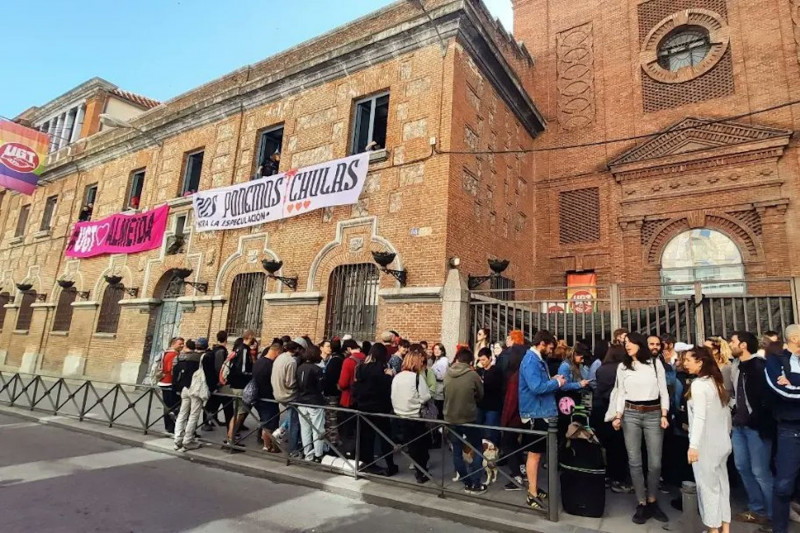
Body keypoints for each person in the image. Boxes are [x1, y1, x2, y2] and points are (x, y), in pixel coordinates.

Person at [611, 332, 670, 524]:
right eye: (625, 343)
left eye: (630, 342)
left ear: (639, 344)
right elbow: (621, 392)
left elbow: (663, 390)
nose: (626, 345)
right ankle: (642, 502)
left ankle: (652, 499)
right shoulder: (623, 366)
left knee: (655, 462)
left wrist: (664, 414)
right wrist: (618, 415)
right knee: (634, 461)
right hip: (631, 413)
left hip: (653, 413)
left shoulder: (654, 363)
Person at [683, 346, 733, 533]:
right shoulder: (716, 382)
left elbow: (699, 417)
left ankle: (713, 529)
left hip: (705, 444)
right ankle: (725, 528)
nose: (685, 363)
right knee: (722, 485)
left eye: (688, 359)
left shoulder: (699, 385)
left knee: (708, 488)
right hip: (721, 442)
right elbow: (725, 415)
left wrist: (693, 446)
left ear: (700, 361)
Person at [728, 330, 773, 525]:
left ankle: (773, 515)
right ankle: (757, 509)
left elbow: (765, 399)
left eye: (733, 341)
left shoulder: (759, 366)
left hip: (756, 427)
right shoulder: (736, 366)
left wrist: (757, 419)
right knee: (742, 467)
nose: (730, 344)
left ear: (743, 345)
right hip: (739, 426)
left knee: (760, 471)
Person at [519, 330, 565, 512]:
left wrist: (552, 379)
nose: (551, 351)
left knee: (537, 454)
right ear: (542, 344)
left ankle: (534, 488)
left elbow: (538, 383)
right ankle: (532, 493)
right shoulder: (531, 360)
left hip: (539, 410)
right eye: (550, 347)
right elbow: (536, 387)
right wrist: (557, 383)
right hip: (536, 412)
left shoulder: (536, 359)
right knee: (535, 454)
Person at [765, 325, 800, 533]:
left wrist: (793, 381)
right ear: (795, 338)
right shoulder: (776, 360)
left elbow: (789, 390)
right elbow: (781, 392)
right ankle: (779, 528)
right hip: (790, 429)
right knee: (784, 483)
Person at [443, 347, 486, 494]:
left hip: (450, 417)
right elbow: (481, 395)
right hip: (468, 418)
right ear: (470, 362)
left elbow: (444, 393)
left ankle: (466, 481)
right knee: (477, 448)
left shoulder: (447, 373)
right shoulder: (473, 375)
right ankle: (475, 482)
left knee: (456, 450)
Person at [591, 344, 632, 493]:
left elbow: (599, 389)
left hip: (602, 410)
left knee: (609, 446)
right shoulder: (623, 369)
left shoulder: (601, 368)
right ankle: (618, 479)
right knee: (619, 447)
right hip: (617, 410)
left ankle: (609, 475)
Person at [352, 343, 398, 476]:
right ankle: (389, 463)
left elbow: (356, 387)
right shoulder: (380, 369)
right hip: (379, 408)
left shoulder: (361, 367)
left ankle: (367, 462)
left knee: (366, 437)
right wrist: (389, 376)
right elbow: (384, 389)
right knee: (384, 436)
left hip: (363, 407)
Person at [391, 345, 432, 483]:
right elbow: (425, 396)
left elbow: (393, 395)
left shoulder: (397, 376)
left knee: (411, 445)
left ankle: (417, 468)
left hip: (400, 415)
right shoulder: (417, 378)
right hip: (415, 416)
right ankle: (421, 472)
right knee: (421, 446)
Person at [501, 344, 528, 490]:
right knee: (515, 444)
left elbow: (511, 402)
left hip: (513, 417)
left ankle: (516, 475)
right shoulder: (523, 373)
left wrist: (504, 421)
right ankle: (522, 469)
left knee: (507, 444)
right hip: (522, 416)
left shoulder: (515, 378)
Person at [272, 339, 305, 456]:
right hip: (288, 395)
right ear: (296, 349)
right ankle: (293, 449)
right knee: (294, 422)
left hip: (277, 392)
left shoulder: (280, 357)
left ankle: (280, 431)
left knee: (293, 418)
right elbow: (290, 382)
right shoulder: (291, 362)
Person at [224, 330, 255, 450]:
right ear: (250, 337)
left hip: (236, 384)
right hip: (240, 385)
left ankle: (230, 437)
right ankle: (231, 439)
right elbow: (242, 370)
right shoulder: (244, 349)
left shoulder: (238, 348)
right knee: (240, 413)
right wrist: (252, 374)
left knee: (238, 412)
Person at [172, 339, 205, 451]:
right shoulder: (201, 358)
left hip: (185, 388)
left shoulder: (184, 357)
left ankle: (177, 439)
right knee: (193, 415)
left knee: (182, 413)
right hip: (195, 389)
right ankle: (188, 440)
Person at [296, 345, 326, 462]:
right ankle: (318, 454)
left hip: (301, 401)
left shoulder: (299, 367)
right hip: (314, 402)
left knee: (305, 429)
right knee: (318, 429)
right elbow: (321, 387)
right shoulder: (316, 369)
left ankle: (307, 453)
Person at [252, 343, 281, 453]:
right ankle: (268, 445)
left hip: (257, 396)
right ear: (277, 352)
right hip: (268, 397)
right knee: (270, 422)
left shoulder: (258, 362)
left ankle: (266, 443)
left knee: (265, 421)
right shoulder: (271, 365)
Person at [204, 331, 232, 428]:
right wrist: (220, 380)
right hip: (219, 382)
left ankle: (211, 420)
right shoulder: (221, 351)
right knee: (220, 402)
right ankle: (207, 422)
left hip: (215, 381)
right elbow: (219, 367)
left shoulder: (215, 349)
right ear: (226, 339)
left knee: (214, 401)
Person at [475, 347, 503, 444]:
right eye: (480, 360)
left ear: (490, 358)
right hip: (480, 405)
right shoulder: (479, 371)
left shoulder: (496, 371)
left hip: (492, 406)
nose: (482, 362)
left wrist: (482, 382)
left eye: (484, 359)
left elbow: (496, 387)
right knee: (478, 429)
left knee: (491, 432)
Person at [158, 336, 184, 434]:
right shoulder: (173, 355)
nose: (182, 345)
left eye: (183, 343)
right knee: (171, 406)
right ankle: (170, 426)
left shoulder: (166, 353)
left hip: (164, 381)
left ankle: (169, 426)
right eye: (180, 344)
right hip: (168, 382)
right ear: (173, 344)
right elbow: (170, 369)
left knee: (168, 406)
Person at [430, 343, 449, 423]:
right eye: (435, 349)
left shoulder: (443, 361)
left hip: (440, 390)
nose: (436, 351)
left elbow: (441, 376)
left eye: (439, 349)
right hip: (436, 389)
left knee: (439, 411)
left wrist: (432, 373)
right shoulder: (436, 360)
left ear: (442, 351)